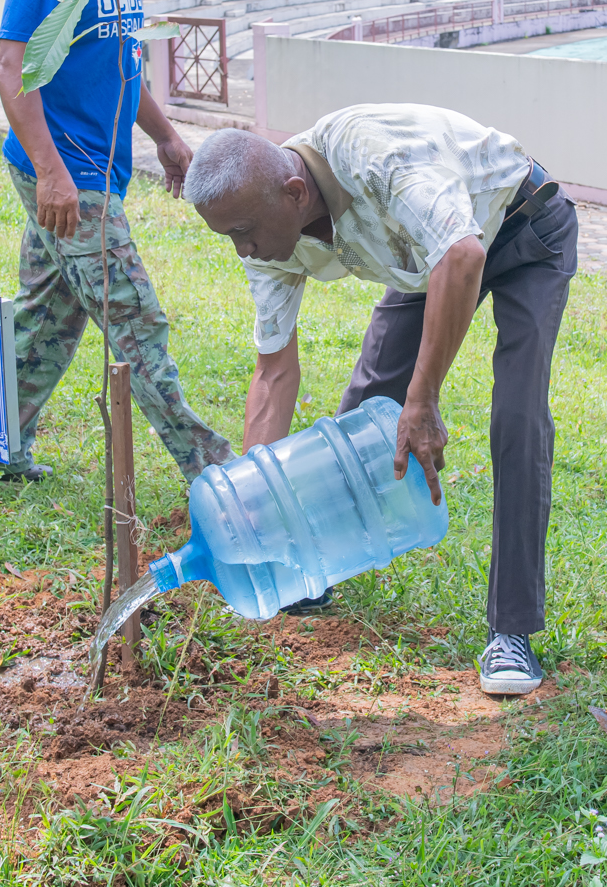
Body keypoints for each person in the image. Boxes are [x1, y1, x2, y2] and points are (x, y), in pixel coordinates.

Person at [183, 106, 577, 695]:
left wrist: (423, 400)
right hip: (427, 256)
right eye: (229, 237)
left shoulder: (374, 156)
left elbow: (463, 255)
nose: (243, 250)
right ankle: (306, 571)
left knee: (516, 419)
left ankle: (511, 632)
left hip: (521, 227)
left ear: (294, 193)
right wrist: (252, 506)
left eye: (243, 232)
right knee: (364, 414)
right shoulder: (269, 236)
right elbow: (273, 374)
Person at [0, 0, 232, 483]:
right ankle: (212, 468)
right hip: (67, 171)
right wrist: (50, 171)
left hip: (96, 168)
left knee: (48, 315)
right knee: (134, 318)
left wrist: (166, 136)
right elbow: (12, 66)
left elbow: (123, 62)